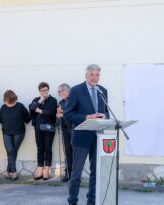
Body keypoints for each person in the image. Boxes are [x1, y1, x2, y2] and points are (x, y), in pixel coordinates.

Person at [64, 64, 109, 205]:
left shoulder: (103, 91)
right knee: (76, 173)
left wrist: (105, 116)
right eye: (92, 74)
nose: (95, 77)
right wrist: (86, 117)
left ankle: (91, 200)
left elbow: (107, 111)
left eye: (97, 75)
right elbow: (68, 114)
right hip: (81, 137)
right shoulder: (76, 90)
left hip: (98, 136)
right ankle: (72, 201)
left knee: (95, 171)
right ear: (86, 75)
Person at [0, 90, 30, 181]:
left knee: (12, 152)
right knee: (11, 151)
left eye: (10, 100)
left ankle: (9, 172)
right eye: (7, 100)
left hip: (19, 133)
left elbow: (28, 117)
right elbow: (0, 119)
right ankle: (13, 172)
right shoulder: (3, 107)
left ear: (13, 98)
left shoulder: (20, 106)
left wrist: (23, 124)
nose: (9, 102)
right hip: (6, 132)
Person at [29, 82, 57, 181]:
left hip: (49, 128)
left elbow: (52, 112)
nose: (44, 92)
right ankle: (40, 169)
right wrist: (41, 99)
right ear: (39, 91)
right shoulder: (36, 100)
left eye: (45, 90)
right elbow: (32, 108)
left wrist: (40, 111)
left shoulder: (53, 100)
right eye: (42, 90)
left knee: (47, 149)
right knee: (40, 149)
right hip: (38, 128)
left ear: (48, 90)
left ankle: (47, 170)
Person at [56, 83, 73, 182]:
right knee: (67, 152)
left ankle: (74, 175)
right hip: (65, 129)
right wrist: (58, 113)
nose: (59, 93)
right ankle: (68, 173)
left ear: (66, 91)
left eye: (60, 91)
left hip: (73, 129)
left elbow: (72, 115)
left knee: (75, 153)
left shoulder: (73, 101)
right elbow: (58, 114)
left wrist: (62, 114)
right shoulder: (61, 102)